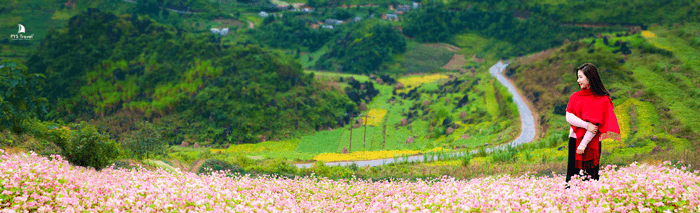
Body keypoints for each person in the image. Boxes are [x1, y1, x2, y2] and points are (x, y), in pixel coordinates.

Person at [565, 63, 621, 186]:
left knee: (591, 176)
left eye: (580, 77)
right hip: (574, 140)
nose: (577, 80)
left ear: (590, 77)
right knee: (572, 176)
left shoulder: (602, 99)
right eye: (577, 77)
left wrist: (583, 144)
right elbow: (569, 116)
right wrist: (586, 125)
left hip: (592, 143)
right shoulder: (575, 97)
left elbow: (595, 126)